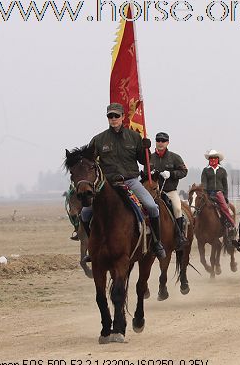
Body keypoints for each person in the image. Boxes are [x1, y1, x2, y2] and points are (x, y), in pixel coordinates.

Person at [80, 103, 166, 261]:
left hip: (131, 181)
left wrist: (146, 149)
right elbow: (88, 161)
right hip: (107, 184)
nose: (113, 119)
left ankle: (157, 243)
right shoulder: (99, 139)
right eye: (110, 116)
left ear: (123, 117)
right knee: (85, 213)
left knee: (153, 207)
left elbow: (143, 160)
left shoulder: (134, 137)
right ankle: (92, 246)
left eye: (116, 116)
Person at [146, 131, 189, 250]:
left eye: (163, 141)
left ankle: (180, 236)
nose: (160, 143)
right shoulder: (149, 157)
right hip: (153, 193)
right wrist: (148, 174)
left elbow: (184, 171)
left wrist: (171, 173)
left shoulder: (175, 157)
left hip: (169, 191)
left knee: (177, 208)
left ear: (167, 142)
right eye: (158, 140)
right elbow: (145, 173)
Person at [200, 149, 237, 239]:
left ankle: (231, 225)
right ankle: (195, 227)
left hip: (219, 193)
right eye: (211, 158)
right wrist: (204, 193)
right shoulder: (205, 170)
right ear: (209, 159)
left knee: (225, 208)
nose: (213, 160)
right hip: (208, 193)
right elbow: (204, 183)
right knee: (198, 208)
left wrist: (226, 196)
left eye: (214, 158)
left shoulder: (222, 171)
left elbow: (225, 185)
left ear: (218, 159)